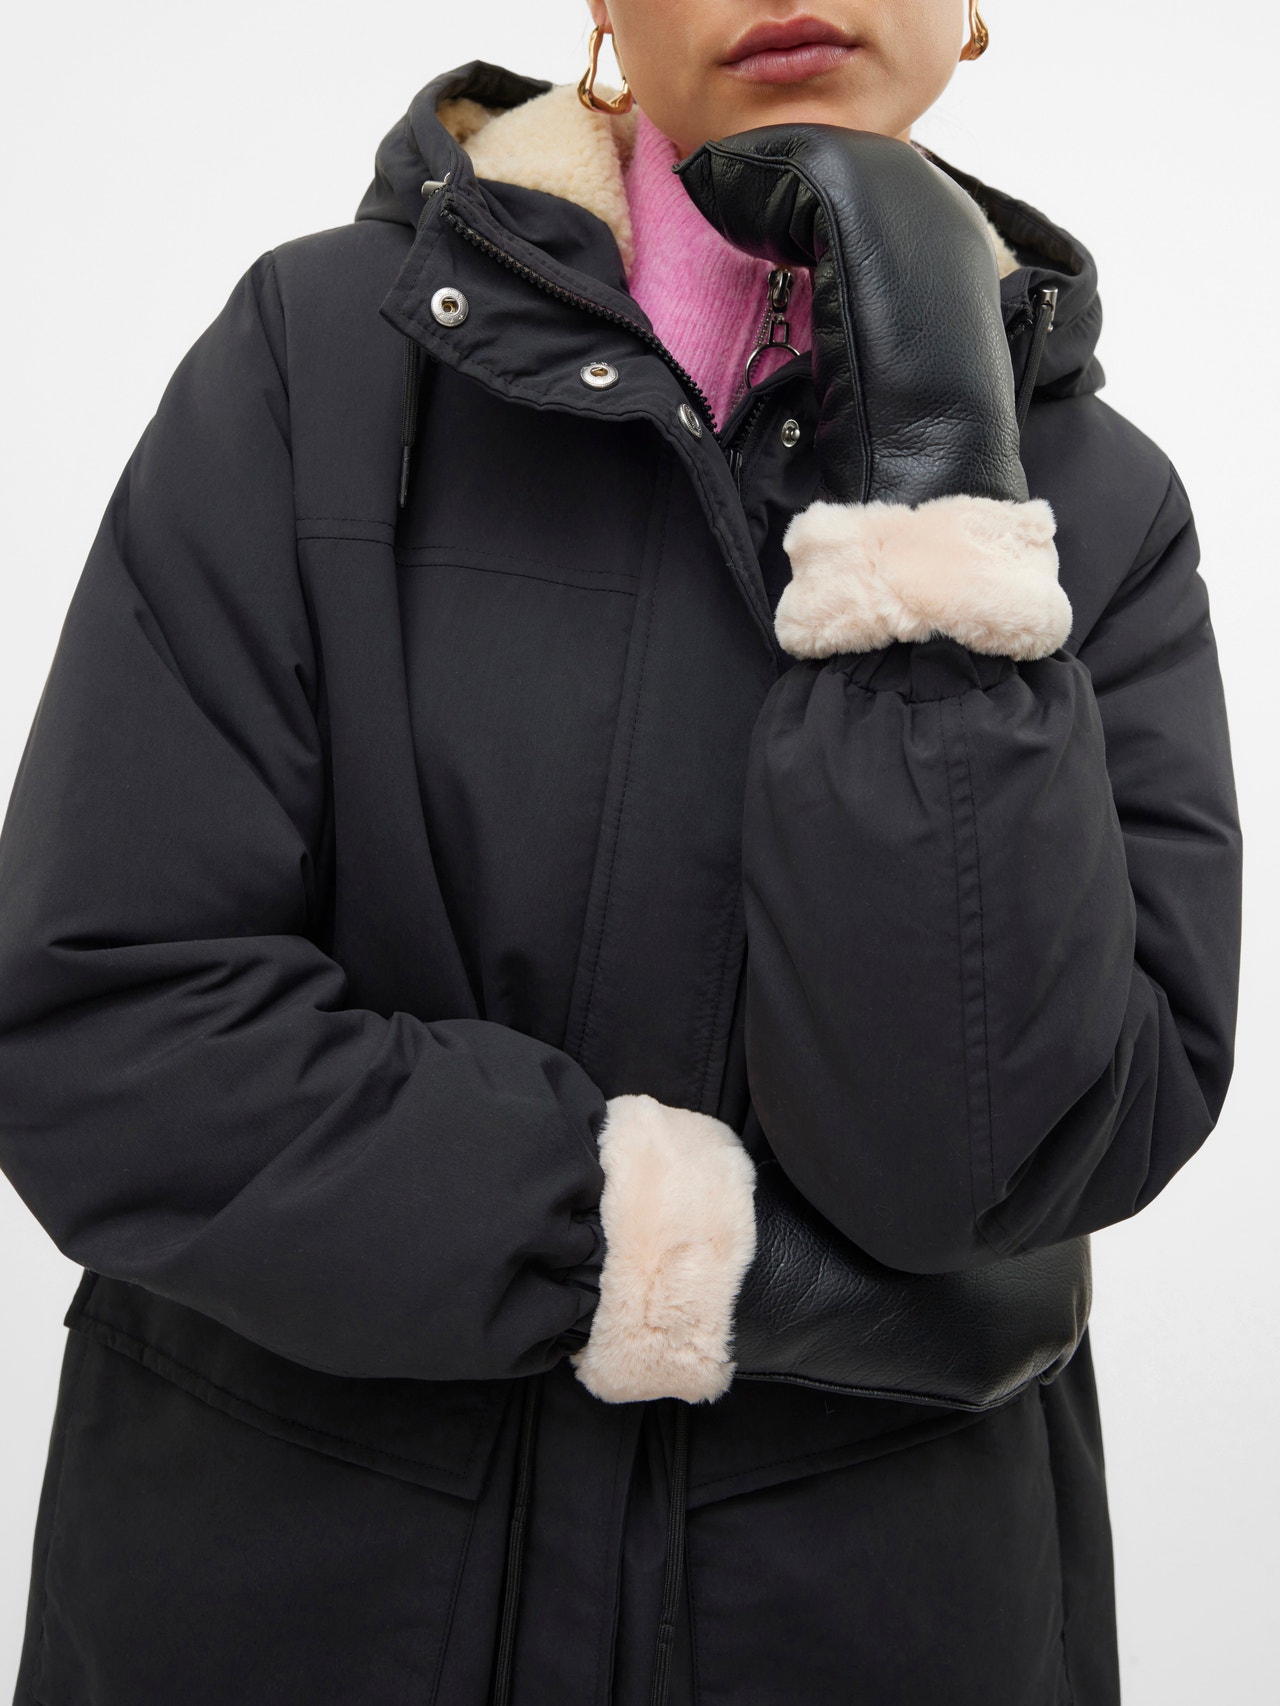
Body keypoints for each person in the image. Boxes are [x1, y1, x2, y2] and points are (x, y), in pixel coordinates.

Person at [0, 3, 1242, 1703]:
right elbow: (111, 1027)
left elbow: (983, 1163)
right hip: (293, 1604)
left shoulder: (1090, 511)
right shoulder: (322, 359)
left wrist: (935, 465)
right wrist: (690, 1264)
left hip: (869, 1626)